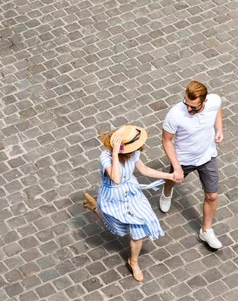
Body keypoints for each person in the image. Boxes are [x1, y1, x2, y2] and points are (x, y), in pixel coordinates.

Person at [83, 125, 176, 282]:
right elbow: (116, 179)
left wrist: (169, 176)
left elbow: (145, 170)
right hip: (113, 197)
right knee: (115, 225)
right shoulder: (105, 157)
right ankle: (96, 208)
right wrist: (114, 153)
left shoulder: (134, 153)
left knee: (138, 231)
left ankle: (133, 261)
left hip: (131, 194)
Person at [160, 81, 224, 249]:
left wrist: (219, 129)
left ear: (204, 101)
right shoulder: (175, 114)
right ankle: (167, 192)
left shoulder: (214, 100)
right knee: (172, 180)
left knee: (212, 196)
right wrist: (177, 167)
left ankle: (206, 230)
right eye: (187, 104)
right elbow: (166, 141)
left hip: (207, 156)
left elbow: (217, 109)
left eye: (194, 107)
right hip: (183, 159)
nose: (189, 109)